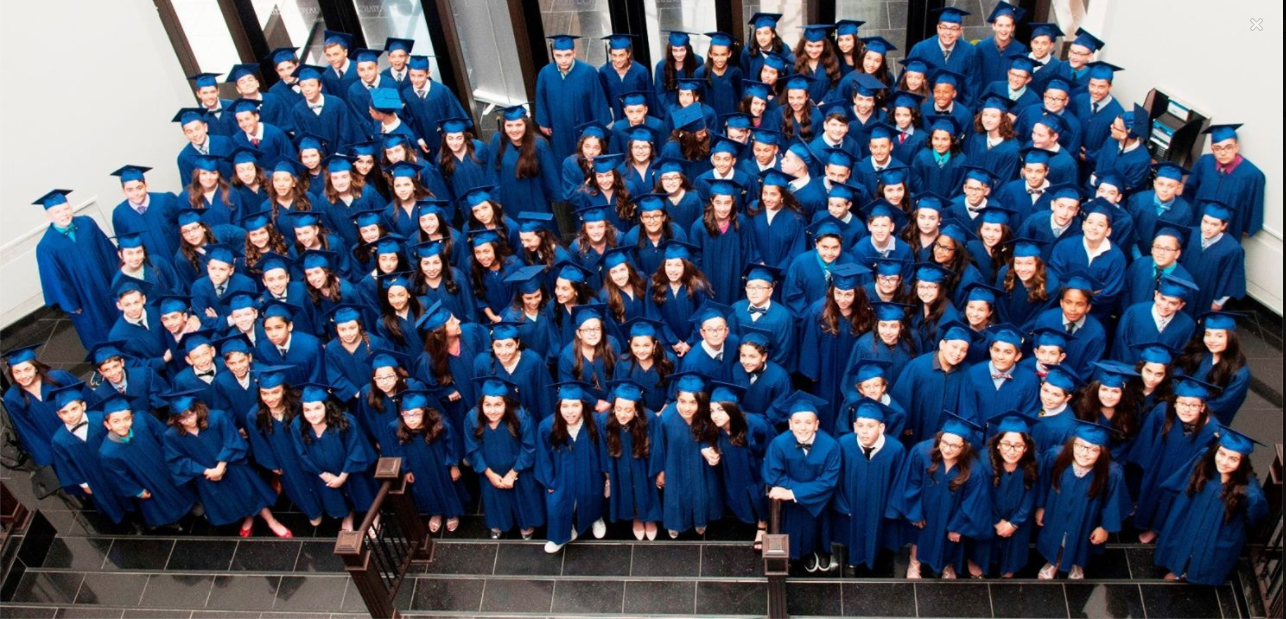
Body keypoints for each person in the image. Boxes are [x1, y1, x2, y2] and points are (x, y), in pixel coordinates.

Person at [163, 389, 291, 537]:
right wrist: (206, 471)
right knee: (232, 500)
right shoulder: (172, 435)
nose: (190, 420)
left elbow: (232, 440)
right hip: (207, 476)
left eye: (192, 414)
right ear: (175, 419)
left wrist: (220, 466)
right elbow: (177, 460)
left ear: (198, 408)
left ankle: (272, 521)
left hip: (233, 467)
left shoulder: (217, 418)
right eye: (182, 419)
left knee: (251, 494)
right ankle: (248, 518)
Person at [1153, 428, 1268, 585]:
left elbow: (1255, 517)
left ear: (1242, 463)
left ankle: (1194, 574)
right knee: (1184, 541)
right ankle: (1178, 569)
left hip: (1221, 528)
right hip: (1193, 515)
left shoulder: (1250, 493)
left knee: (1207, 552)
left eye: (1233, 459)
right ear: (1215, 451)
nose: (1224, 462)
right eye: (1221, 454)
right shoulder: (1204, 466)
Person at [891, 413, 990, 579]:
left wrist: (957, 526)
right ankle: (914, 562)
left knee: (949, 541)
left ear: (965, 447)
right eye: (944, 442)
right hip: (924, 508)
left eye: (954, 446)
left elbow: (973, 501)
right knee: (918, 534)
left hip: (952, 513)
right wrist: (915, 513)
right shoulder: (921, 452)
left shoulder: (974, 469)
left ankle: (947, 565)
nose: (947, 449)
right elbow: (910, 483)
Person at [1130, 375, 1222, 544]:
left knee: (1170, 500)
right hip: (1159, 465)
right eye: (1182, 403)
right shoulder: (1162, 412)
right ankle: (1142, 516)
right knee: (1150, 490)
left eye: (1193, 405)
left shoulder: (1213, 431)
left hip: (1183, 474)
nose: (1186, 409)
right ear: (1174, 403)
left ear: (1203, 407)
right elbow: (1146, 438)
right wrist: (1147, 464)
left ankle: (1156, 529)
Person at [1034, 420, 1130, 580]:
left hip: (1087, 519)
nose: (1084, 453)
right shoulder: (1055, 457)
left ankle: (1076, 563)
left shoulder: (1111, 473)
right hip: (1056, 512)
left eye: (1093, 450)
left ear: (1102, 453)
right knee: (1057, 538)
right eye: (1080, 446)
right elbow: (1043, 483)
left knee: (1080, 542)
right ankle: (1054, 561)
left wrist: (1104, 527)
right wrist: (1040, 507)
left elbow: (1113, 503)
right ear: (1072, 445)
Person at [762, 391, 841, 571]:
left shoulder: (831, 446)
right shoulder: (779, 444)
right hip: (792, 508)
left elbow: (828, 481)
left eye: (808, 422)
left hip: (820, 501)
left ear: (816, 424)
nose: (802, 427)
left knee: (819, 526)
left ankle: (821, 550)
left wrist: (792, 493)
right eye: (797, 422)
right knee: (796, 528)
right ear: (790, 424)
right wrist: (799, 493)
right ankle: (804, 553)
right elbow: (772, 475)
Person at [33, 190, 121, 351]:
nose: (64, 214)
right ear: (49, 216)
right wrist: (71, 303)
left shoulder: (87, 223)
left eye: (66, 209)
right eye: (57, 211)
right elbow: (54, 279)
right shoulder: (46, 246)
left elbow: (106, 251)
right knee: (97, 327)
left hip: (105, 283)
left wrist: (118, 279)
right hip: (83, 295)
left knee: (120, 314)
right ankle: (109, 358)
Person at [98, 397, 198, 530]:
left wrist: (173, 457)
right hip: (145, 481)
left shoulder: (143, 420)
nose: (123, 424)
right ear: (107, 424)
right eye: (116, 421)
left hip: (164, 466)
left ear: (132, 417)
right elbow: (119, 477)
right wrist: (137, 491)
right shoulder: (107, 452)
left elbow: (164, 437)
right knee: (160, 504)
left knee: (181, 490)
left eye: (127, 419)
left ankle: (190, 505)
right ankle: (170, 521)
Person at [463, 377, 544, 540]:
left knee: (523, 497)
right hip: (490, 471)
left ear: (506, 403)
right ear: (481, 403)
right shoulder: (472, 418)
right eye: (488, 405)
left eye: (498, 404)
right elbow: (472, 449)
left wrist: (513, 473)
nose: (492, 410)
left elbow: (529, 447)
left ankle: (525, 524)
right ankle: (499, 523)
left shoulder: (520, 416)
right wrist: (489, 474)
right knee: (495, 499)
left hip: (519, 470)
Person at [291, 383, 379, 531]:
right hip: (325, 475)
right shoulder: (297, 425)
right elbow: (302, 454)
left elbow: (355, 449)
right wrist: (323, 475)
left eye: (317, 408)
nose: (312, 414)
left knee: (362, 492)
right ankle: (347, 515)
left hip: (350, 470)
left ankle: (374, 515)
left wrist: (342, 477)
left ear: (327, 406)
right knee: (339, 498)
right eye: (307, 409)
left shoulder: (345, 421)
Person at [797, 264, 873, 434]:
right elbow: (809, 345)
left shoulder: (864, 313)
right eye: (838, 293)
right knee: (827, 409)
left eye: (848, 294)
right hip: (826, 373)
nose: (842, 299)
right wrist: (813, 375)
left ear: (857, 294)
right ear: (832, 291)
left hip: (852, 372)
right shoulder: (819, 312)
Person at [243, 367, 324, 525]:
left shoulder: (299, 404)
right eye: (265, 393)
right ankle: (312, 511)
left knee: (317, 477)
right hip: (283, 456)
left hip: (308, 449)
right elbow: (259, 442)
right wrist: (272, 463)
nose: (270, 397)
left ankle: (328, 506)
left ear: (284, 390)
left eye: (275, 392)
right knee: (297, 483)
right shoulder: (255, 414)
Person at [832, 398, 905, 573]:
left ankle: (878, 565)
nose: (864, 431)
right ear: (854, 426)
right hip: (852, 506)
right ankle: (853, 561)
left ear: (881, 428)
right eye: (860, 425)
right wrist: (842, 504)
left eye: (870, 426)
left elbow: (899, 482)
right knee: (852, 537)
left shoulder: (895, 449)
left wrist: (890, 509)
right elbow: (835, 478)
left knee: (880, 540)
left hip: (880, 508)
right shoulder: (844, 444)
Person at [537, 381, 608, 552]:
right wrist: (550, 482)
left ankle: (595, 519)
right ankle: (564, 533)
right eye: (565, 406)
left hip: (590, 471)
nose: (570, 411)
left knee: (592, 495)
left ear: (583, 405)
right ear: (558, 407)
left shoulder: (595, 422)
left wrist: (606, 475)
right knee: (557, 505)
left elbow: (604, 451)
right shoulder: (547, 426)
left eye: (575, 405)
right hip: (561, 474)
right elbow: (543, 456)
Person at [383, 390, 465, 533]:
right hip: (417, 467)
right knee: (425, 490)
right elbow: (398, 450)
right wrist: (406, 469)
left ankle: (452, 513)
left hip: (440, 465)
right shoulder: (395, 427)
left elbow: (452, 445)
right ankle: (435, 513)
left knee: (445, 488)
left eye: (416, 414)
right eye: (406, 414)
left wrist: (454, 465)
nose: (411, 419)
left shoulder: (441, 424)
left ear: (425, 412)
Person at [971, 410, 1038, 578]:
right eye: (1007, 444)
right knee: (981, 542)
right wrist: (996, 521)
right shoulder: (983, 460)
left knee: (1015, 543)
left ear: (1026, 447)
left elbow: (1031, 496)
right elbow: (981, 495)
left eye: (1018, 445)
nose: (1012, 450)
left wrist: (1014, 523)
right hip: (988, 515)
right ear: (998, 443)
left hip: (1017, 518)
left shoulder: (1034, 462)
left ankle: (1009, 567)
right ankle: (976, 563)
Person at [890, 319, 974, 445]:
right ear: (942, 345)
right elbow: (901, 398)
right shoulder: (918, 367)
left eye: (964, 350)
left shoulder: (966, 372)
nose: (957, 353)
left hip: (949, 438)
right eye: (954, 346)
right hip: (917, 432)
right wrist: (906, 425)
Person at [598, 380, 664, 540]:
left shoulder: (650, 419)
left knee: (646, 491)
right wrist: (607, 472)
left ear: (636, 410)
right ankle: (636, 518)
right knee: (627, 492)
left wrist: (659, 471)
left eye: (628, 410)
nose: (622, 414)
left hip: (643, 463)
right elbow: (602, 447)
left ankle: (649, 519)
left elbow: (657, 446)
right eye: (618, 409)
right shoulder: (604, 420)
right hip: (618, 463)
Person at [707, 382, 771, 547]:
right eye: (712, 410)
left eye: (721, 410)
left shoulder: (755, 423)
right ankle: (748, 515)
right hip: (733, 468)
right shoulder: (716, 428)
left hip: (757, 468)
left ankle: (763, 524)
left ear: (732, 408)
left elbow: (772, 444)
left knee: (759, 495)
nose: (715, 416)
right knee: (737, 493)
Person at [536, 35, 613, 162]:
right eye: (558, 56)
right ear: (553, 54)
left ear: (574, 53)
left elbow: (597, 99)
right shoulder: (546, 73)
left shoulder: (588, 72)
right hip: (558, 126)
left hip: (583, 123)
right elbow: (541, 98)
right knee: (562, 156)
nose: (563, 60)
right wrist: (543, 122)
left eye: (568, 55)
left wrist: (599, 126)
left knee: (586, 154)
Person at [1182, 124, 1266, 239]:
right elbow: (1189, 191)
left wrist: (1245, 229)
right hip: (1197, 224)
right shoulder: (1204, 163)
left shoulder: (1252, 175)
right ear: (1212, 148)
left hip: (1229, 231)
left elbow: (1253, 211)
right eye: (1217, 148)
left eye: (1228, 147)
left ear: (1236, 147)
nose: (1223, 153)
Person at [1174, 312, 1250, 426]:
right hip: (1179, 407)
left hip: (1205, 421)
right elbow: (1177, 372)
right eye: (1208, 334)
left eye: (1219, 336)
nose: (1211, 340)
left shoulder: (1240, 373)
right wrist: (1179, 398)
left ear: (1230, 338)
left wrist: (1191, 410)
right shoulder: (1198, 352)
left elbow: (1222, 404)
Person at [1111, 274, 1198, 363]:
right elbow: (1120, 347)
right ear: (1156, 295)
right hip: (1129, 369)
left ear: (1181, 305)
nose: (1165, 306)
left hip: (1163, 375)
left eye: (1173, 303)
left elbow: (1180, 357)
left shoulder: (1186, 325)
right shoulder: (1134, 313)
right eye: (1162, 299)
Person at [906, 7, 981, 106]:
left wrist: (961, 115)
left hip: (956, 111)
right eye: (944, 27)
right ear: (938, 28)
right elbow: (905, 83)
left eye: (953, 28)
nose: (948, 33)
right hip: (924, 110)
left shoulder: (970, 52)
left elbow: (971, 89)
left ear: (960, 31)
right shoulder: (920, 49)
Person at [1182, 201, 1246, 314]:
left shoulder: (1232, 249)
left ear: (1224, 226)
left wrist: (1219, 302)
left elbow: (1232, 277)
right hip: (1182, 291)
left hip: (1207, 296)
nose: (1207, 228)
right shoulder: (1190, 234)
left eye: (1214, 224)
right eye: (1205, 222)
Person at [976, 2, 1028, 86]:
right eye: (1000, 25)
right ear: (993, 26)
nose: (1003, 30)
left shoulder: (1020, 49)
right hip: (983, 97)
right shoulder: (982, 47)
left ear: (1013, 28)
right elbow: (975, 77)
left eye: (1008, 26)